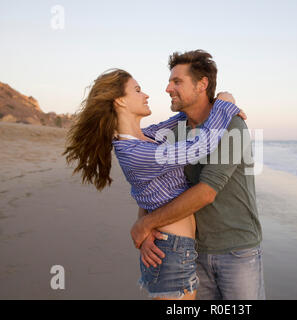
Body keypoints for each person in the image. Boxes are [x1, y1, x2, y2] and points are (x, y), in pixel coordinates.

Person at [63, 68, 243, 300]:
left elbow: (182, 118)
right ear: (119, 100)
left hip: (175, 249)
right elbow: (199, 147)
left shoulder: (146, 136)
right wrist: (224, 106)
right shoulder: (134, 151)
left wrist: (217, 102)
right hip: (170, 251)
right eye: (137, 90)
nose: (146, 95)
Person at [131, 50, 265, 300]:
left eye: (177, 81)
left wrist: (145, 224)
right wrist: (147, 229)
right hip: (191, 250)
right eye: (170, 81)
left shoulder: (232, 124)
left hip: (237, 250)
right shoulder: (175, 128)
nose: (168, 88)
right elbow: (153, 183)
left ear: (202, 84)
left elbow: (207, 191)